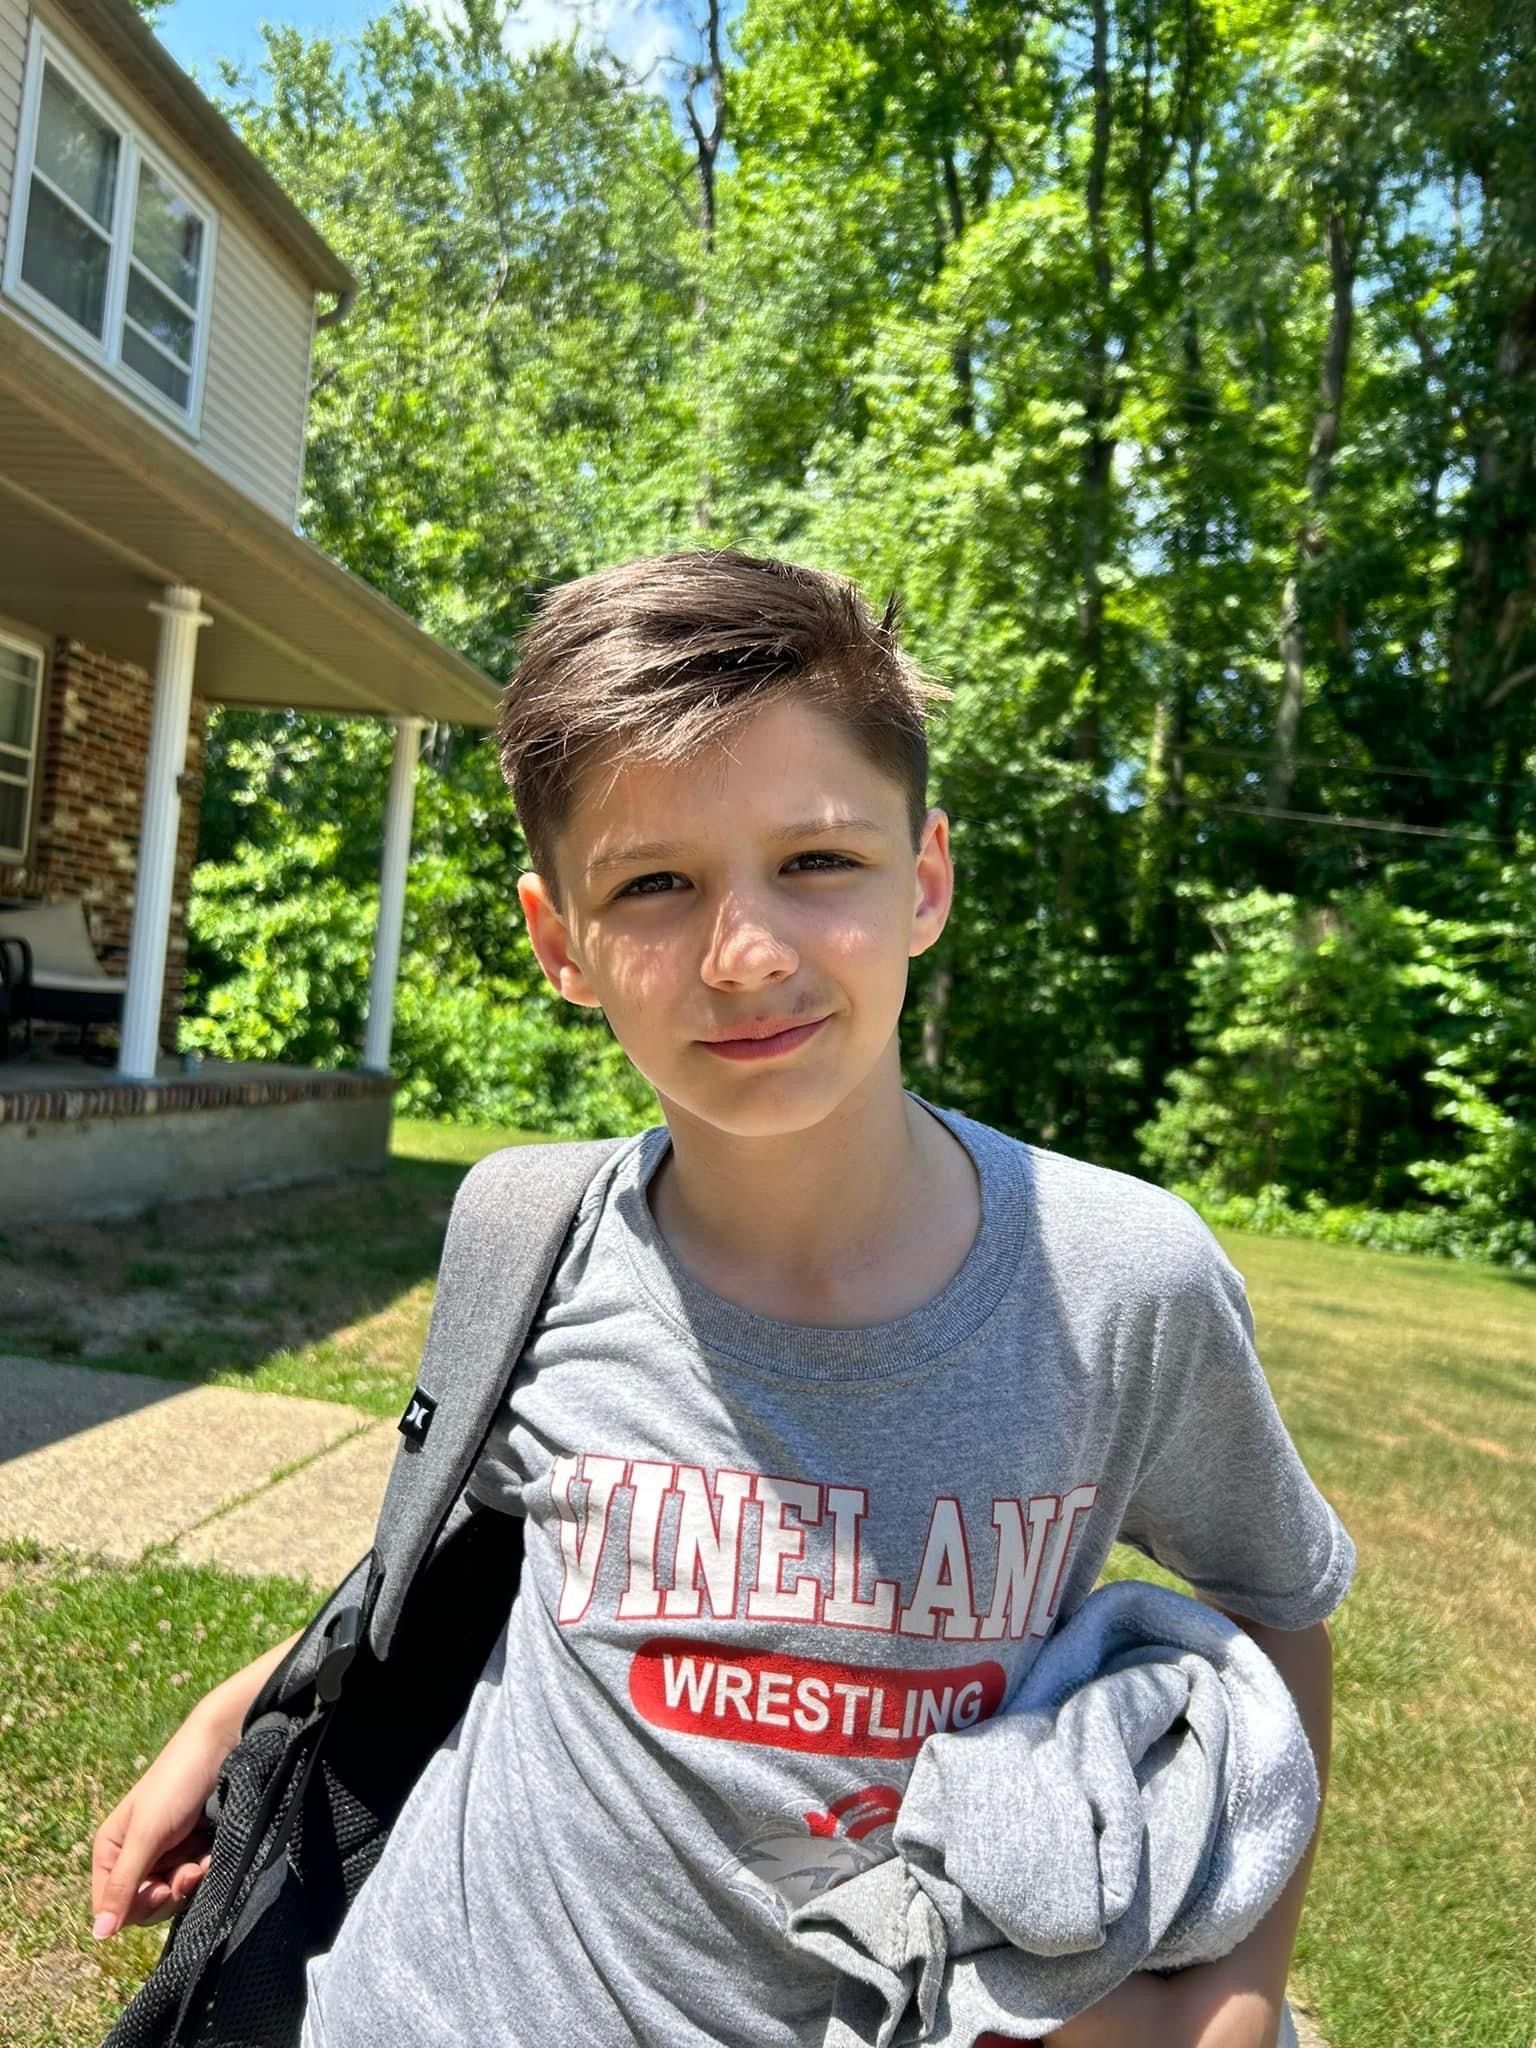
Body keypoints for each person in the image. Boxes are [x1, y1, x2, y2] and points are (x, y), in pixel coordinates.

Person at [92, 549, 1353, 2047]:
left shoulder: (1119, 1280)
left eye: (817, 862)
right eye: (653, 885)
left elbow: (1280, 1609)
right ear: (560, 942)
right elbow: (479, 1570)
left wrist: (1233, 1997)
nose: (745, 954)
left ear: (926, 878)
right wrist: (243, 1711)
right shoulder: (527, 1232)